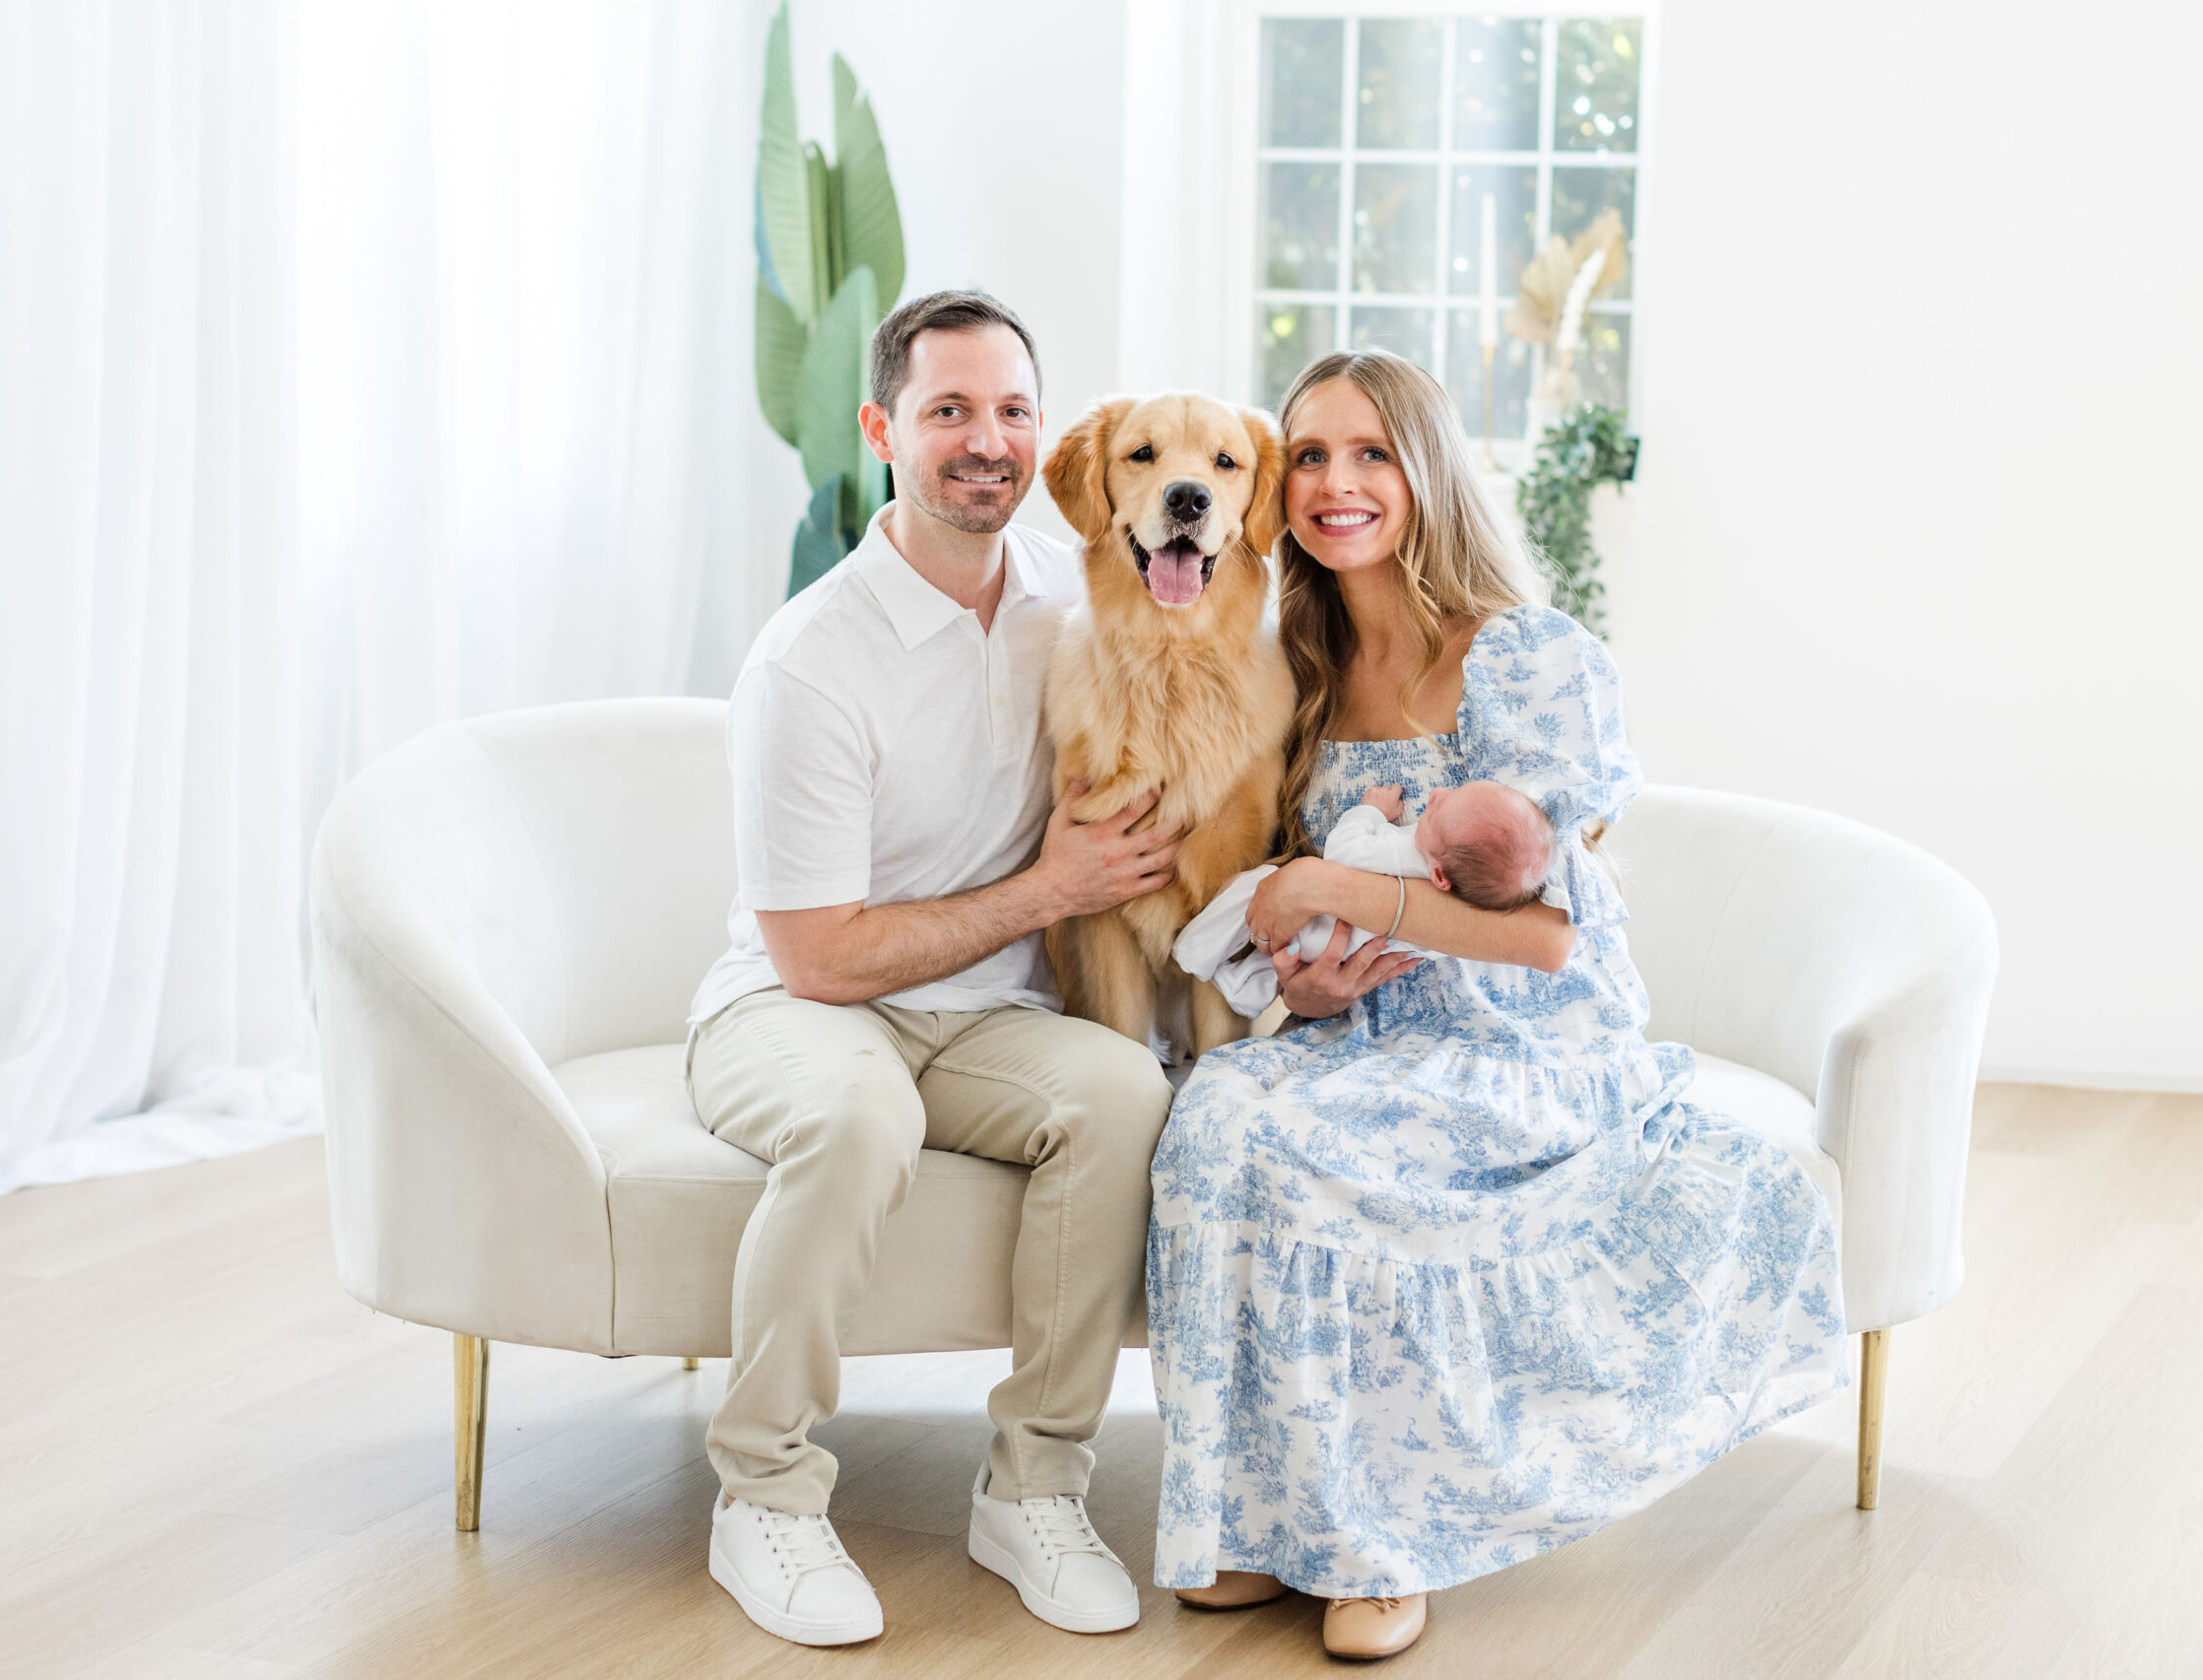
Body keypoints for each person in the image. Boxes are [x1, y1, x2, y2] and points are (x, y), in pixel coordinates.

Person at [1144, 351, 1847, 1661]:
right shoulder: (1298, 661)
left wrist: (1332, 880)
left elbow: (1539, 934)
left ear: (1429, 472)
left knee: (1320, 1156)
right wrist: (1302, 968)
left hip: (1532, 1044)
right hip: (1366, 1026)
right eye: (1308, 455)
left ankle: (1378, 1536)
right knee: (1218, 1115)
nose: (1336, 483)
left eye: (1372, 453)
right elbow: (1312, 915)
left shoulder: (1528, 654)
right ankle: (1251, 1515)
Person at [687, 291, 1179, 1647]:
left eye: (1013, 410)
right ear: (880, 427)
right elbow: (821, 950)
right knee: (859, 1109)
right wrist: (1048, 889)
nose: (987, 440)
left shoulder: (1068, 605)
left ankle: (1033, 1487)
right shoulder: (811, 658)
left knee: (1125, 1087)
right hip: (795, 1006)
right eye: (949, 409)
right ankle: (766, 1495)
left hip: (981, 1014)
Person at [1173, 778, 1553, 1015]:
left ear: (1438, 875)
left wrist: (1370, 811)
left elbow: (1343, 850)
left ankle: (1194, 951)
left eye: (1436, 813)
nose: (1436, 795)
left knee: (1256, 884)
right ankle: (1246, 990)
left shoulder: (1403, 853)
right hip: (1346, 957)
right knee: (1280, 962)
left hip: (1321, 926)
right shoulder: (1463, 900)